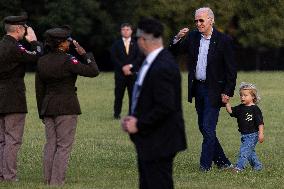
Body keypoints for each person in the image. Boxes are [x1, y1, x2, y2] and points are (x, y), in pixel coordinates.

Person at [169, 7, 237, 171]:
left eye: (201, 20)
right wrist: (178, 37)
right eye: (196, 21)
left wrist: (228, 92)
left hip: (214, 90)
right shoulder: (192, 37)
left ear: (211, 20)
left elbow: (231, 70)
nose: (198, 23)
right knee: (203, 127)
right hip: (197, 88)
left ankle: (205, 167)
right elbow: (173, 52)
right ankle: (223, 163)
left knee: (207, 127)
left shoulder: (224, 40)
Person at [121, 18, 187, 189]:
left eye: (137, 39)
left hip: (161, 139)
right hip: (149, 138)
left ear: (143, 40)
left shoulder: (162, 66)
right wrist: (132, 118)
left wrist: (139, 123)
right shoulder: (150, 62)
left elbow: (165, 106)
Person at [35, 26, 99, 186]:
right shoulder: (68, 60)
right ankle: (56, 182)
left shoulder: (41, 61)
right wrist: (85, 54)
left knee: (51, 144)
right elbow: (93, 71)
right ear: (60, 44)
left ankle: (48, 179)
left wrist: (41, 112)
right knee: (63, 146)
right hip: (66, 107)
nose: (69, 44)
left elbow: (39, 89)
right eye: (67, 41)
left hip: (48, 107)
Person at [0, 14, 42, 181]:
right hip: (13, 98)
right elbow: (37, 56)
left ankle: (2, 174)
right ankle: (9, 176)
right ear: (18, 29)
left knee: (1, 140)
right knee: (13, 139)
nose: (25, 30)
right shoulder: (15, 48)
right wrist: (34, 41)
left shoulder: (1, 45)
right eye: (24, 28)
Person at [224, 82, 264, 172]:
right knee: (250, 153)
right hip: (244, 135)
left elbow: (260, 123)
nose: (242, 97)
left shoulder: (255, 109)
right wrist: (227, 103)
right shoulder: (240, 107)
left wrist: (261, 134)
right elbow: (231, 111)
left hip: (252, 135)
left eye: (245, 95)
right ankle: (258, 166)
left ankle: (239, 168)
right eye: (241, 95)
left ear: (253, 96)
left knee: (244, 151)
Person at [111, 23, 143, 119]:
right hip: (120, 74)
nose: (125, 31)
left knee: (132, 95)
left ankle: (132, 113)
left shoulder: (137, 44)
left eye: (127, 29)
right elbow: (113, 57)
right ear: (121, 31)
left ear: (131, 31)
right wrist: (123, 67)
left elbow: (139, 57)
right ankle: (117, 114)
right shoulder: (116, 44)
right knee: (119, 95)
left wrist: (130, 66)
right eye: (123, 29)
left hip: (133, 73)